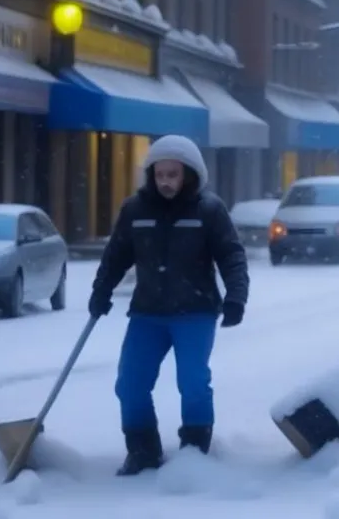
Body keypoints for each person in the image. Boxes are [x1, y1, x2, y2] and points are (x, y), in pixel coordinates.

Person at [88, 134, 249, 476]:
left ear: (189, 174)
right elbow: (116, 255)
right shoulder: (135, 210)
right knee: (130, 383)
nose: (165, 182)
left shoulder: (208, 209)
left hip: (195, 311)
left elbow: (231, 256)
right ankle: (143, 449)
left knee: (191, 382)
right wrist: (101, 290)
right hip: (147, 312)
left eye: (173, 175)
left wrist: (236, 296)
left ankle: (195, 447)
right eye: (159, 174)